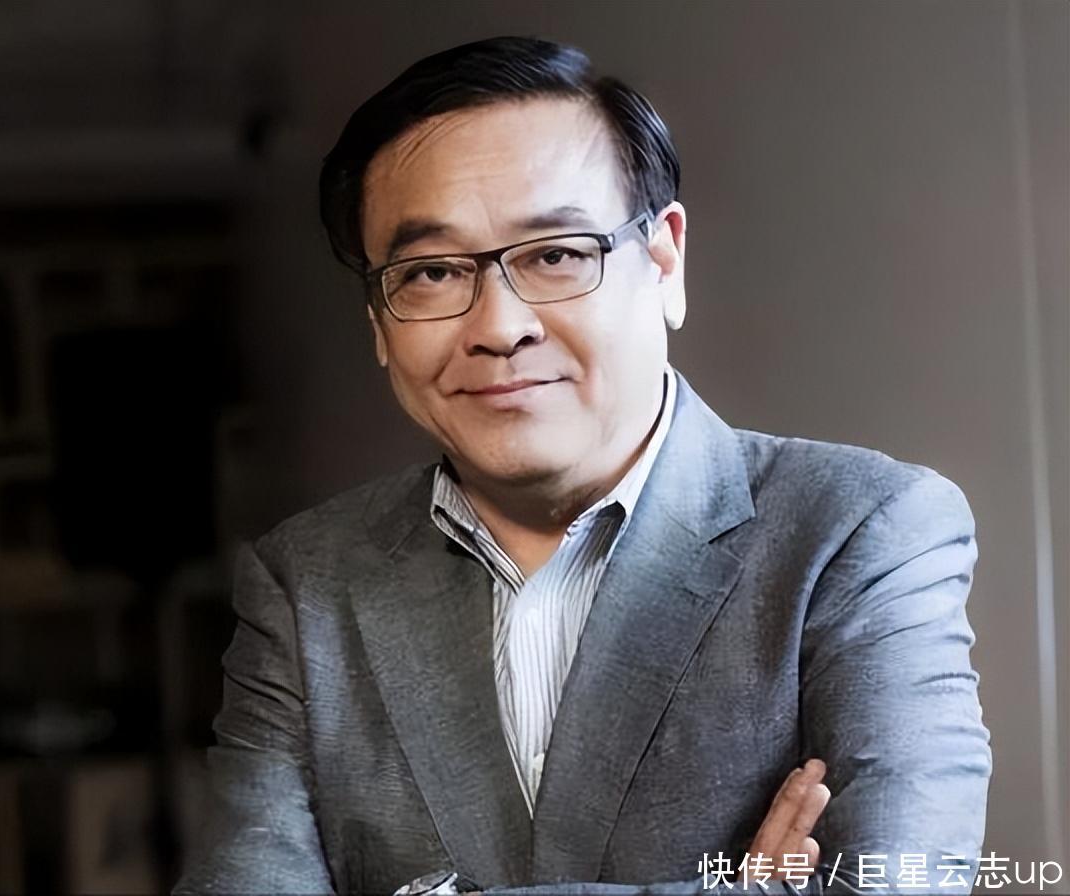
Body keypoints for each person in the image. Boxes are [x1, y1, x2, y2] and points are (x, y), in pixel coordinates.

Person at [173, 36, 990, 896]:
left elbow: (900, 882)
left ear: (664, 261)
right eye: (432, 272)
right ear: (379, 321)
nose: (500, 327)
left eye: (556, 255)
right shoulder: (307, 584)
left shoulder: (861, 532)